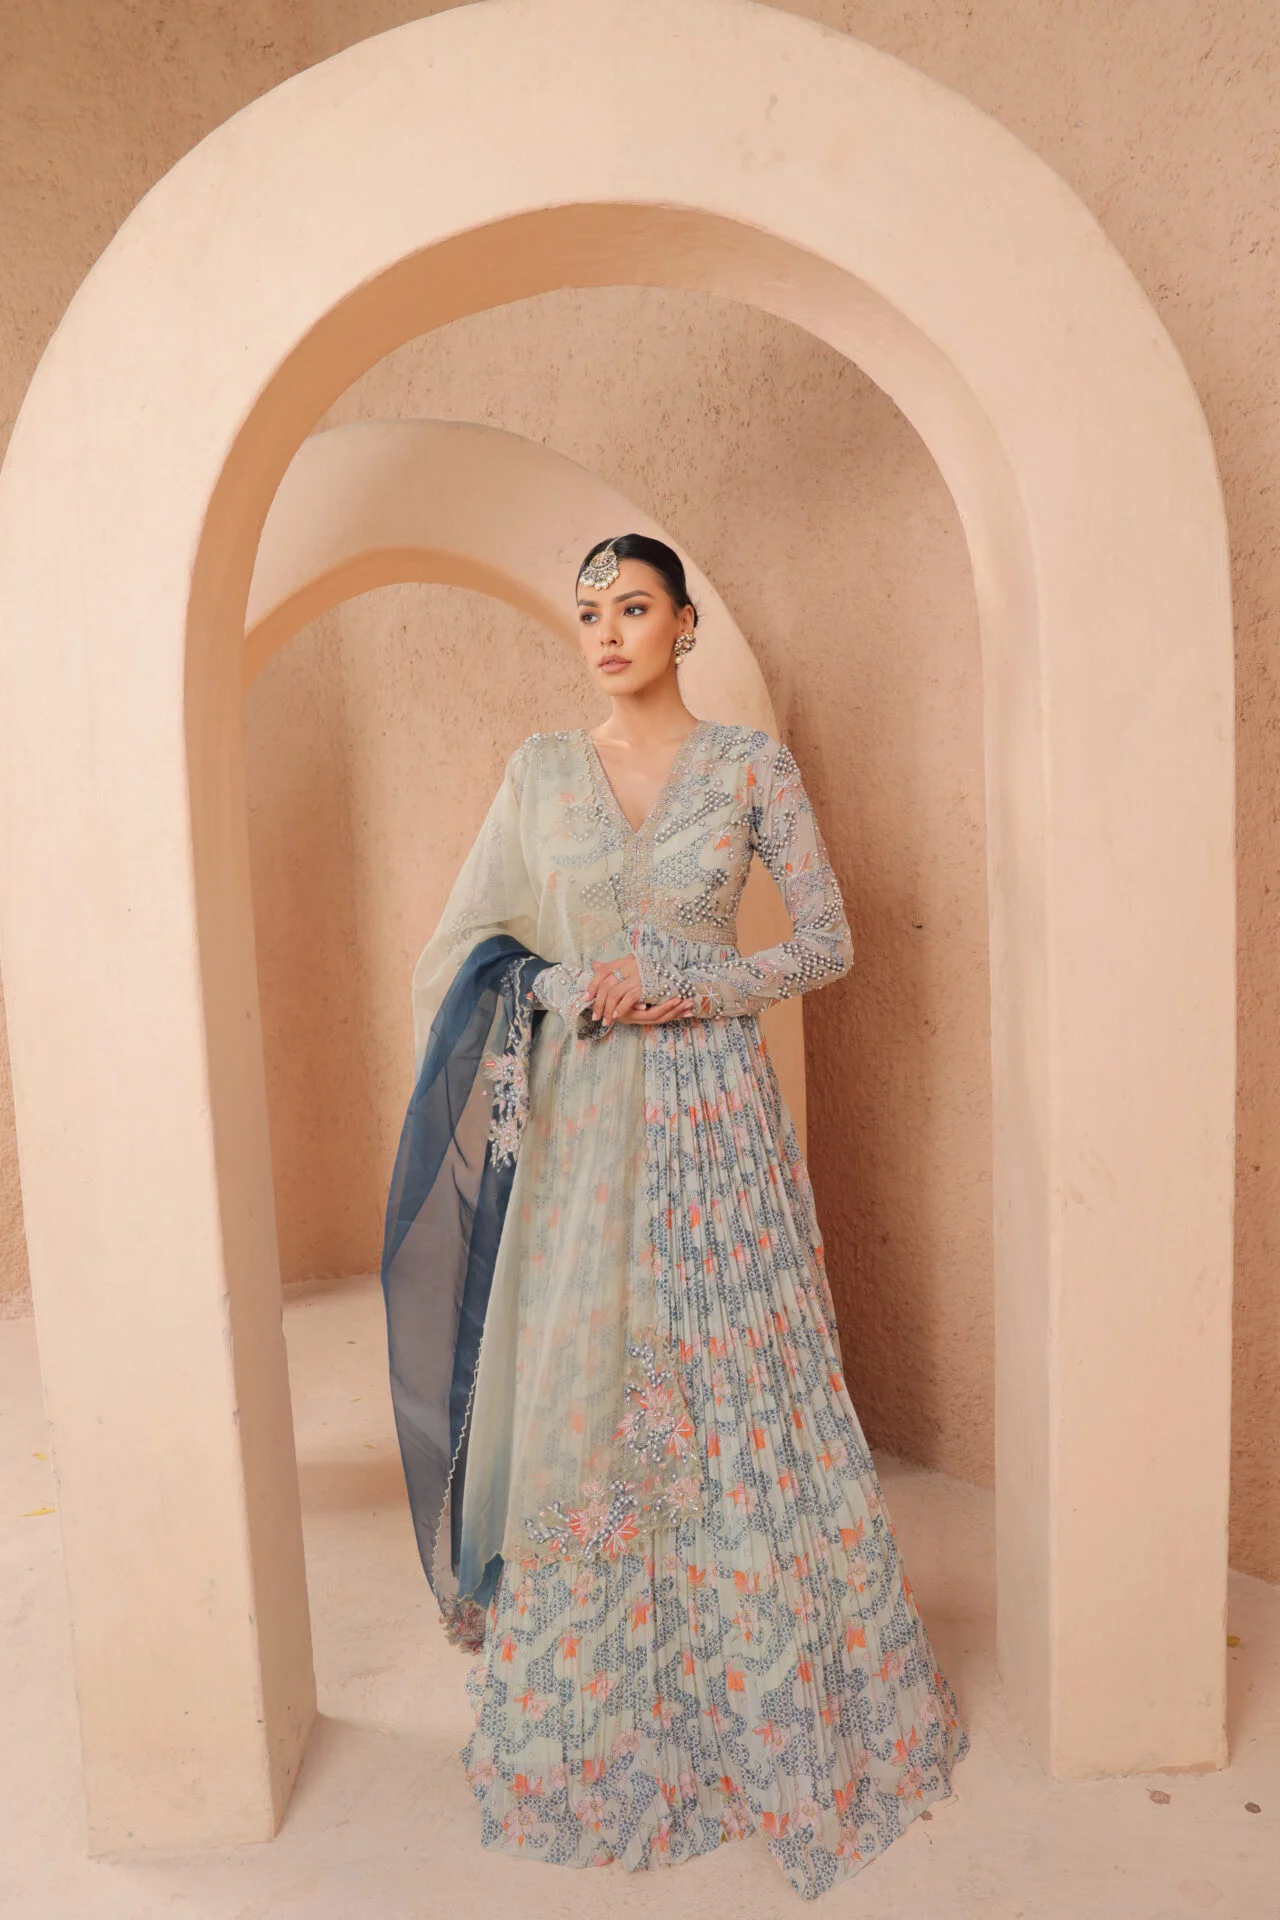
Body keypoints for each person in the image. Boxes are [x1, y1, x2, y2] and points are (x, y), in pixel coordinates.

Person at [380, 533, 967, 1899]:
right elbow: (465, 952)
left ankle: (755, 1673)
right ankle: (614, 1687)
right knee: (594, 1380)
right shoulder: (539, 775)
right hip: (585, 1123)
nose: (606, 631)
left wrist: (699, 984)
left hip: (717, 1122)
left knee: (732, 1382)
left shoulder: (750, 768)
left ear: (684, 624)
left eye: (632, 607)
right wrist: (568, 989)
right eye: (589, 611)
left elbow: (828, 940)